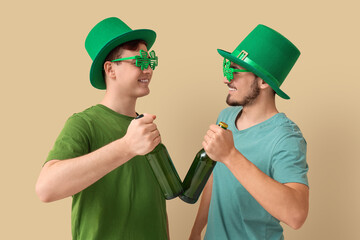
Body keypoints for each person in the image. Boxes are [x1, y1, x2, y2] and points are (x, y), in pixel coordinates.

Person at [35, 17, 169, 240]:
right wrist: (126, 146)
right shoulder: (84, 124)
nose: (147, 70)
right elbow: (46, 188)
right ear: (110, 69)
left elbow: (156, 209)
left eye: (149, 62)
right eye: (138, 61)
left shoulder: (145, 129)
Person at [189, 24, 309, 240]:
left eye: (235, 71)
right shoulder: (225, 117)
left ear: (263, 81)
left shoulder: (286, 137)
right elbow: (214, 178)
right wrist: (197, 230)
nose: (226, 79)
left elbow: (296, 215)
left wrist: (230, 155)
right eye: (227, 68)